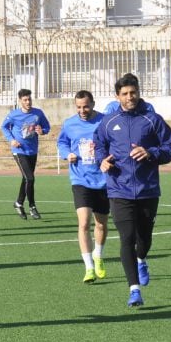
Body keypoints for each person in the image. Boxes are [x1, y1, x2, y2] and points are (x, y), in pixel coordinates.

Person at [95, 74, 171, 308]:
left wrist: (151, 152)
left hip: (147, 190)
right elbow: (99, 144)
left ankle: (142, 259)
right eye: (125, 94)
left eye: (133, 92)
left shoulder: (153, 120)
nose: (129, 97)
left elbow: (170, 147)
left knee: (144, 239)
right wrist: (102, 161)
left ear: (138, 92)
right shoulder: (109, 121)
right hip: (118, 189)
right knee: (126, 238)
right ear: (117, 96)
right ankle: (134, 290)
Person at [57, 91, 109, 284]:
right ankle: (88, 267)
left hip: (103, 179)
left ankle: (98, 255)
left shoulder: (104, 121)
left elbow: (113, 142)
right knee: (84, 223)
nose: (82, 110)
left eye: (85, 106)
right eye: (78, 107)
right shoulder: (70, 123)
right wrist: (67, 153)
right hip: (80, 179)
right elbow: (62, 142)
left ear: (93, 104)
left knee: (101, 224)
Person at [1, 88, 51, 220]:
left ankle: (18, 203)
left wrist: (42, 131)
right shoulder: (14, 115)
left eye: (29, 99)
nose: (28, 102)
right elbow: (4, 127)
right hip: (19, 151)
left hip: (32, 150)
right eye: (25, 100)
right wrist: (12, 140)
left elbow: (46, 127)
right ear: (20, 101)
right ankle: (32, 207)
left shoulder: (38, 113)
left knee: (26, 178)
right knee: (30, 178)